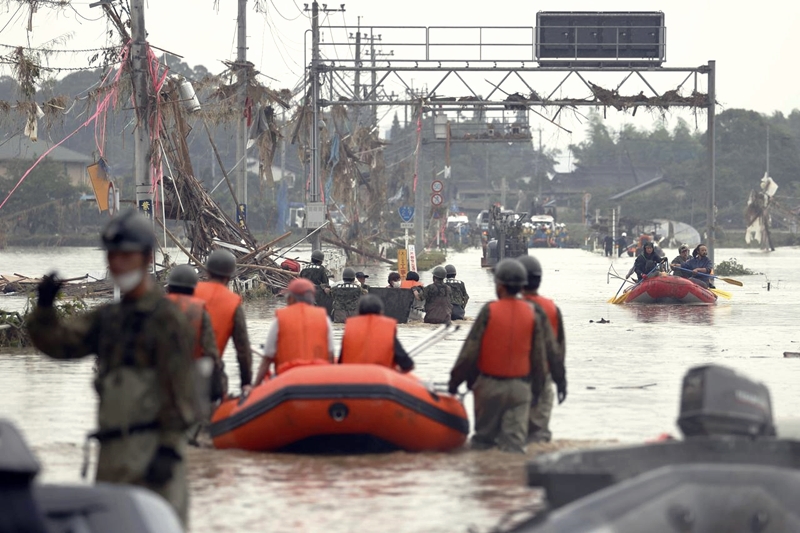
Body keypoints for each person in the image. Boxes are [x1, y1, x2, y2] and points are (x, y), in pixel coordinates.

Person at [26, 209, 195, 525]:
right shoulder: (108, 318)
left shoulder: (166, 319)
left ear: (146, 258)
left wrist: (170, 450)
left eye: (126, 255)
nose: (117, 263)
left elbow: (183, 392)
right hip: (111, 452)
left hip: (153, 451)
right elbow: (60, 344)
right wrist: (45, 308)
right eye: (112, 255)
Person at [447, 259, 551, 453]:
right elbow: (538, 357)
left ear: (500, 286)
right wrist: (536, 391)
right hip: (521, 390)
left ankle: (486, 480)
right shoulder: (533, 313)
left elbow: (470, 351)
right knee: (514, 447)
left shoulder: (489, 310)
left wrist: (455, 382)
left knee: (483, 443)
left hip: (490, 388)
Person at [517, 255, 567, 443]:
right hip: (543, 378)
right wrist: (561, 381)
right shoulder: (552, 308)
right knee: (538, 437)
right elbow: (558, 349)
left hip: (513, 379)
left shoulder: (508, 307)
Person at [194, 249, 253, 397]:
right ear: (230, 276)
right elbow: (243, 350)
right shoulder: (233, 302)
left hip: (175, 369)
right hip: (208, 373)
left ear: (207, 272)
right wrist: (246, 383)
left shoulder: (189, 291)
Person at [254, 278, 334, 382]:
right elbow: (330, 356)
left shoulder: (280, 318)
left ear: (290, 298)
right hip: (316, 379)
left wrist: (254, 387)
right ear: (312, 298)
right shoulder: (324, 318)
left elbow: (267, 358)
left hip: (287, 380)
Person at [165, 265, 224, 403]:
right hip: (189, 381)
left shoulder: (154, 306)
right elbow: (211, 353)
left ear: (169, 287)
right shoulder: (199, 311)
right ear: (194, 289)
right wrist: (217, 390)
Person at [338, 294, 414, 372]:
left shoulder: (350, 329)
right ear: (381, 312)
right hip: (380, 379)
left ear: (359, 312)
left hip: (352, 378)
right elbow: (407, 364)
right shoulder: (387, 329)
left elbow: (340, 363)